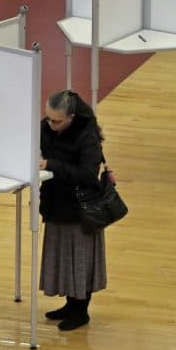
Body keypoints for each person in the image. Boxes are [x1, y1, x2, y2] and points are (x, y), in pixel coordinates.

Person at [38, 89, 107, 331]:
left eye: (57, 121)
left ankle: (80, 311)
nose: (51, 124)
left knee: (80, 261)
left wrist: (52, 165)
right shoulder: (46, 128)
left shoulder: (87, 137)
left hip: (80, 211)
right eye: (48, 118)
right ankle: (71, 305)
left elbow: (88, 175)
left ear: (72, 118)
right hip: (57, 204)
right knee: (65, 260)